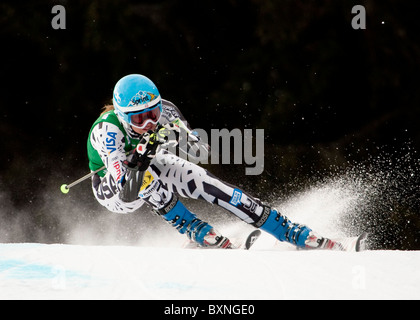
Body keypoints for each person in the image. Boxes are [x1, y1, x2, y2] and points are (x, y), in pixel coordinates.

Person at [87, 74, 341, 249]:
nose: (149, 123)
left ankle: (286, 229)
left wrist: (180, 138)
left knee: (203, 180)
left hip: (149, 161)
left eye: (153, 114)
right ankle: (193, 229)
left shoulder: (167, 110)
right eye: (139, 120)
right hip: (113, 187)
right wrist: (141, 159)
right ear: (122, 115)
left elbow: (198, 151)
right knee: (148, 181)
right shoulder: (108, 132)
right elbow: (129, 194)